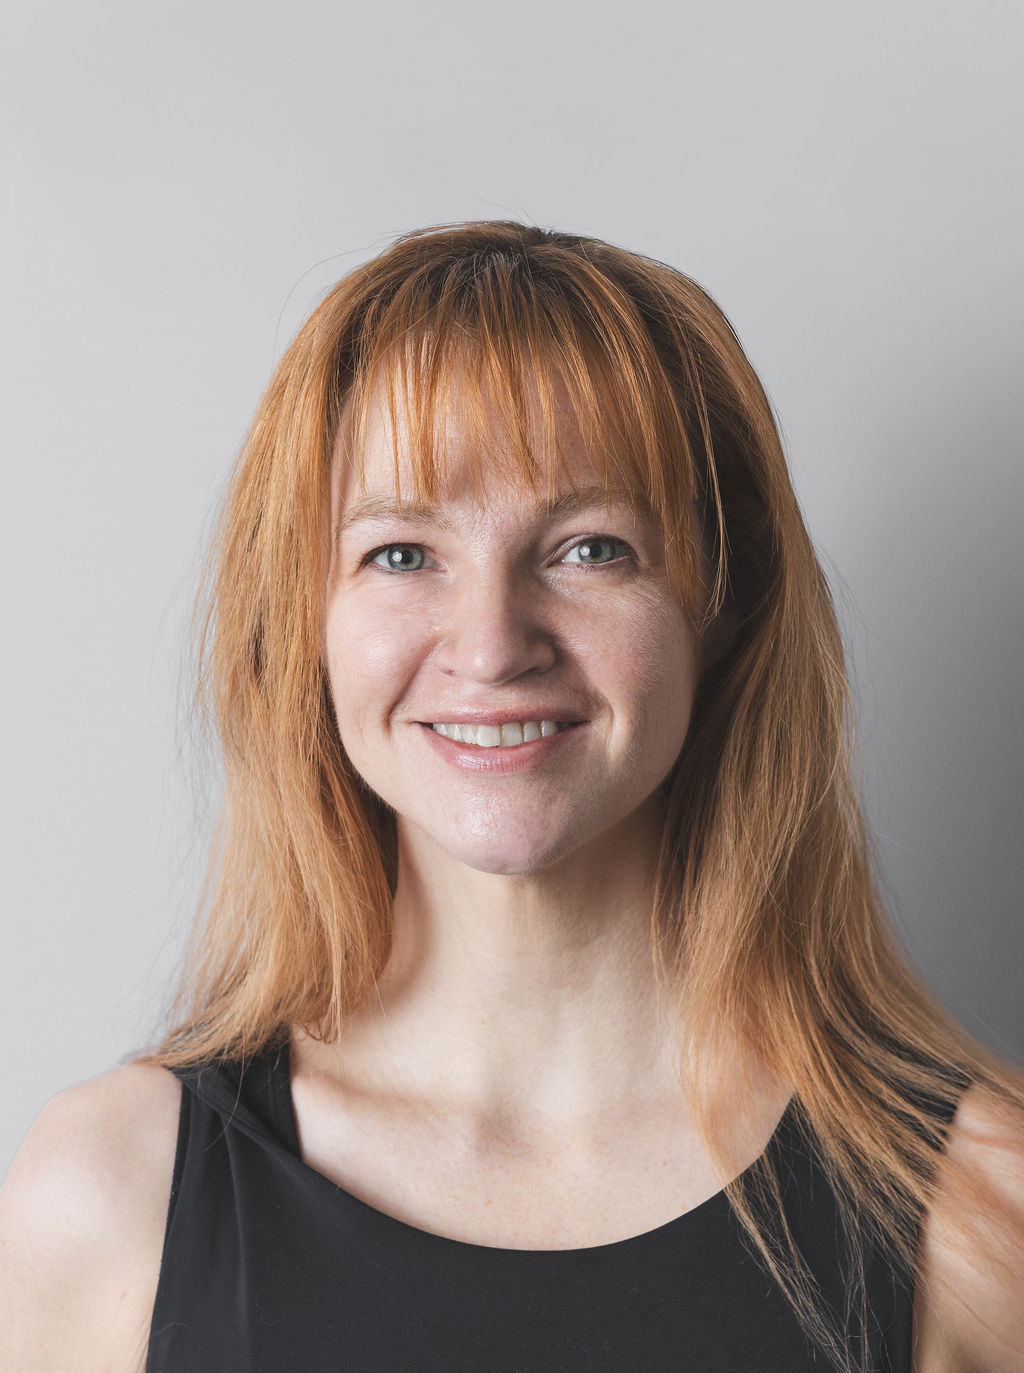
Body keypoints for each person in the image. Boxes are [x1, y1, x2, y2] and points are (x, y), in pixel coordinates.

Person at [1, 220, 1022, 1372]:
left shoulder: (979, 1211)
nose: (490, 645)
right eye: (400, 552)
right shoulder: (109, 1192)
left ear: (722, 603)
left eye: (590, 548)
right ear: (303, 625)